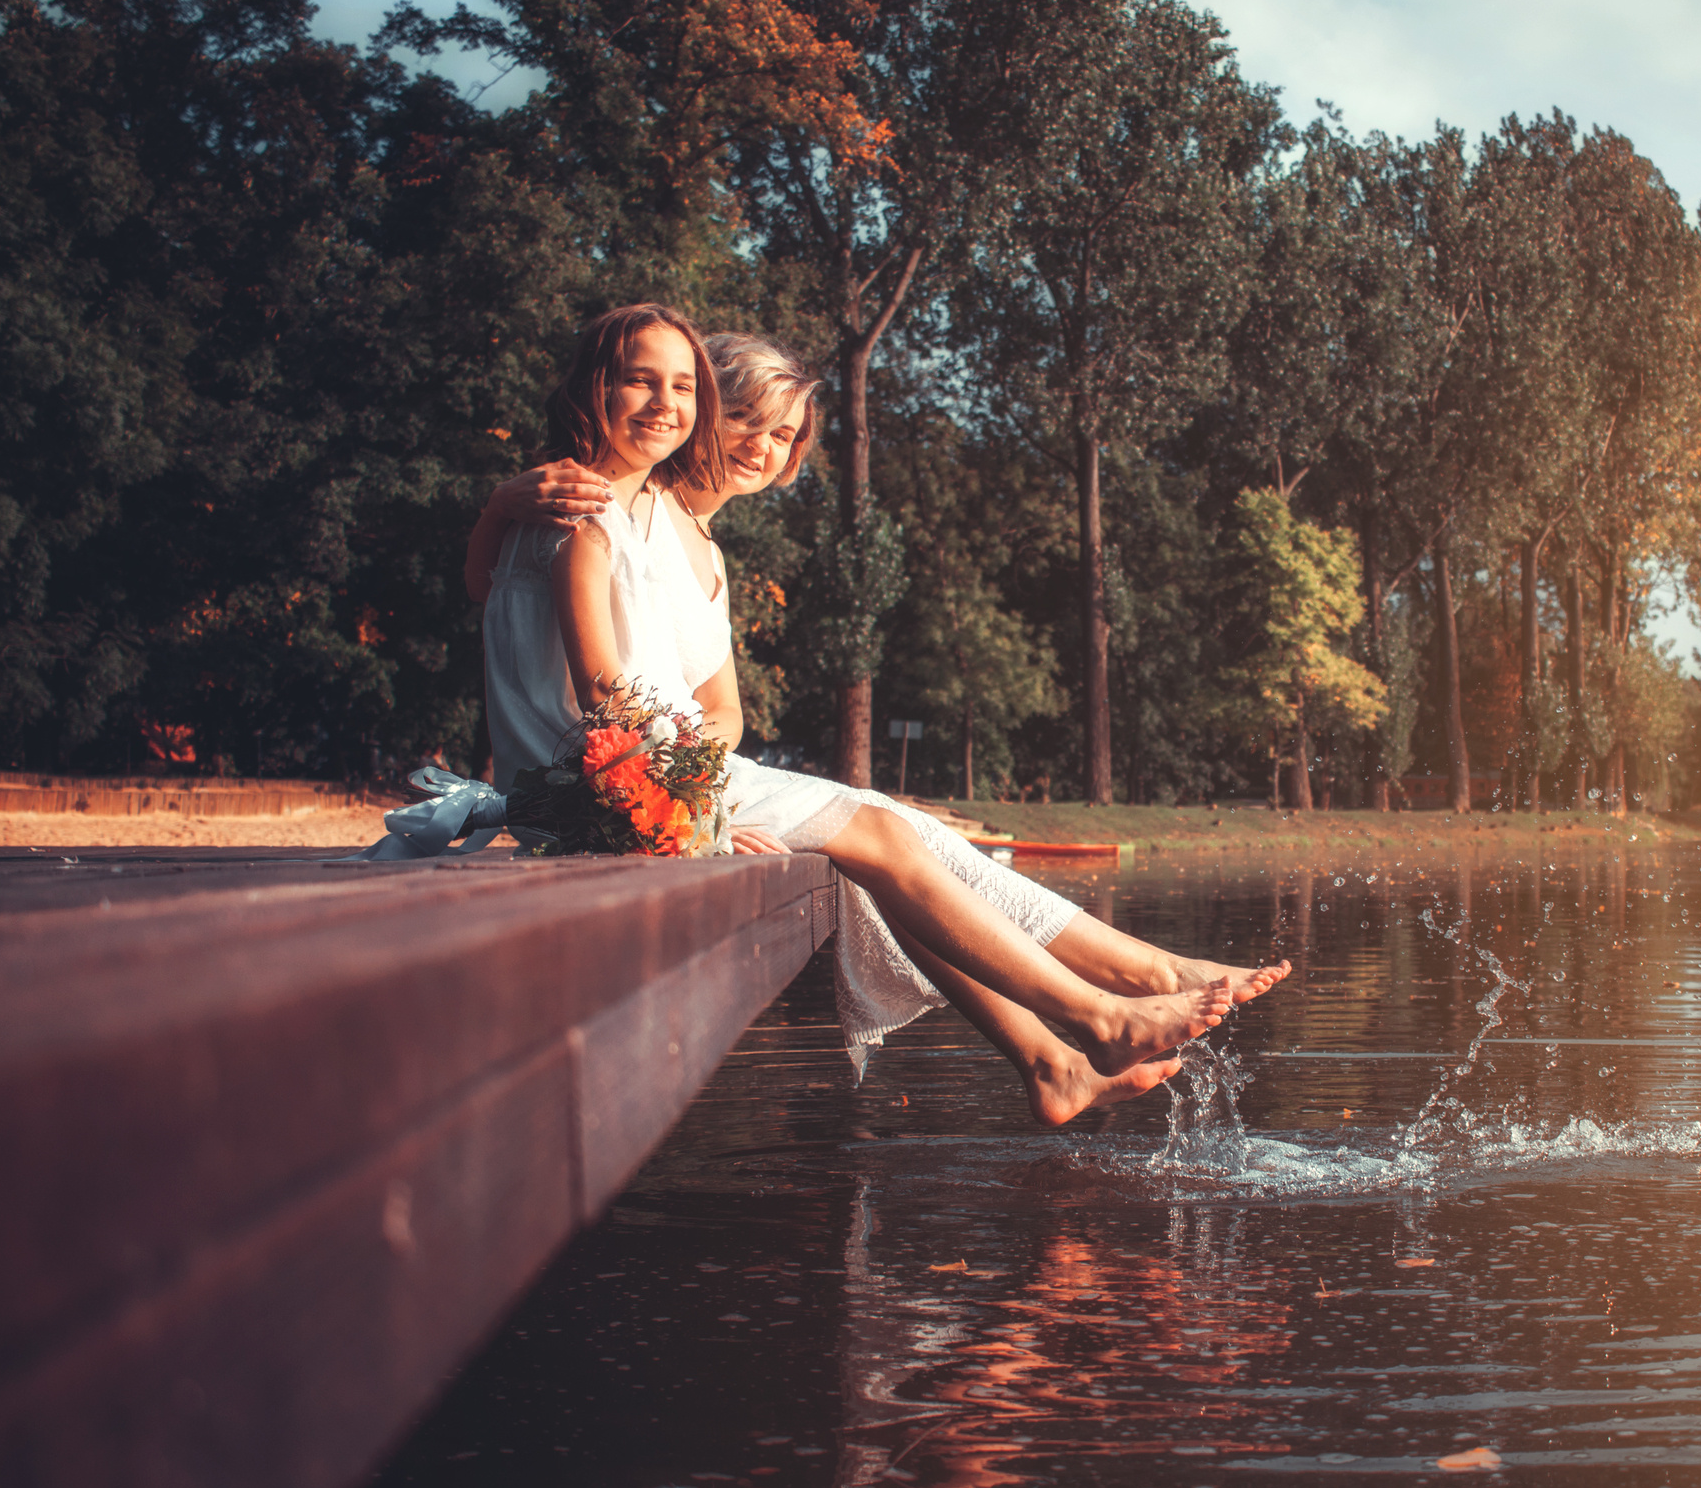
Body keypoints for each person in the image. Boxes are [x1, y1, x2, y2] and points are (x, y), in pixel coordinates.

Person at [466, 310, 1289, 1122]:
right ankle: (1107, 1007)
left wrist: (696, 800)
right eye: (742, 414)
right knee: (885, 837)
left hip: (636, 775)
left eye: (684, 388)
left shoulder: (646, 520)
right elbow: (589, 677)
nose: (755, 441)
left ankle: (1059, 1055)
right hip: (612, 785)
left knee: (893, 835)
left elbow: (677, 697)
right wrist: (699, 819)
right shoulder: (588, 507)